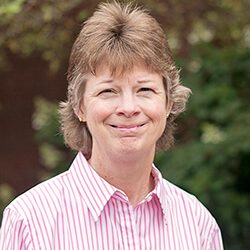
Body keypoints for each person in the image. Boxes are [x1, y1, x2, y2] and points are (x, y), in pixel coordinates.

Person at [0, 2, 223, 249]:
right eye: (108, 91)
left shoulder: (198, 225)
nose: (128, 107)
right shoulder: (29, 222)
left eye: (145, 89)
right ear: (80, 106)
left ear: (168, 102)